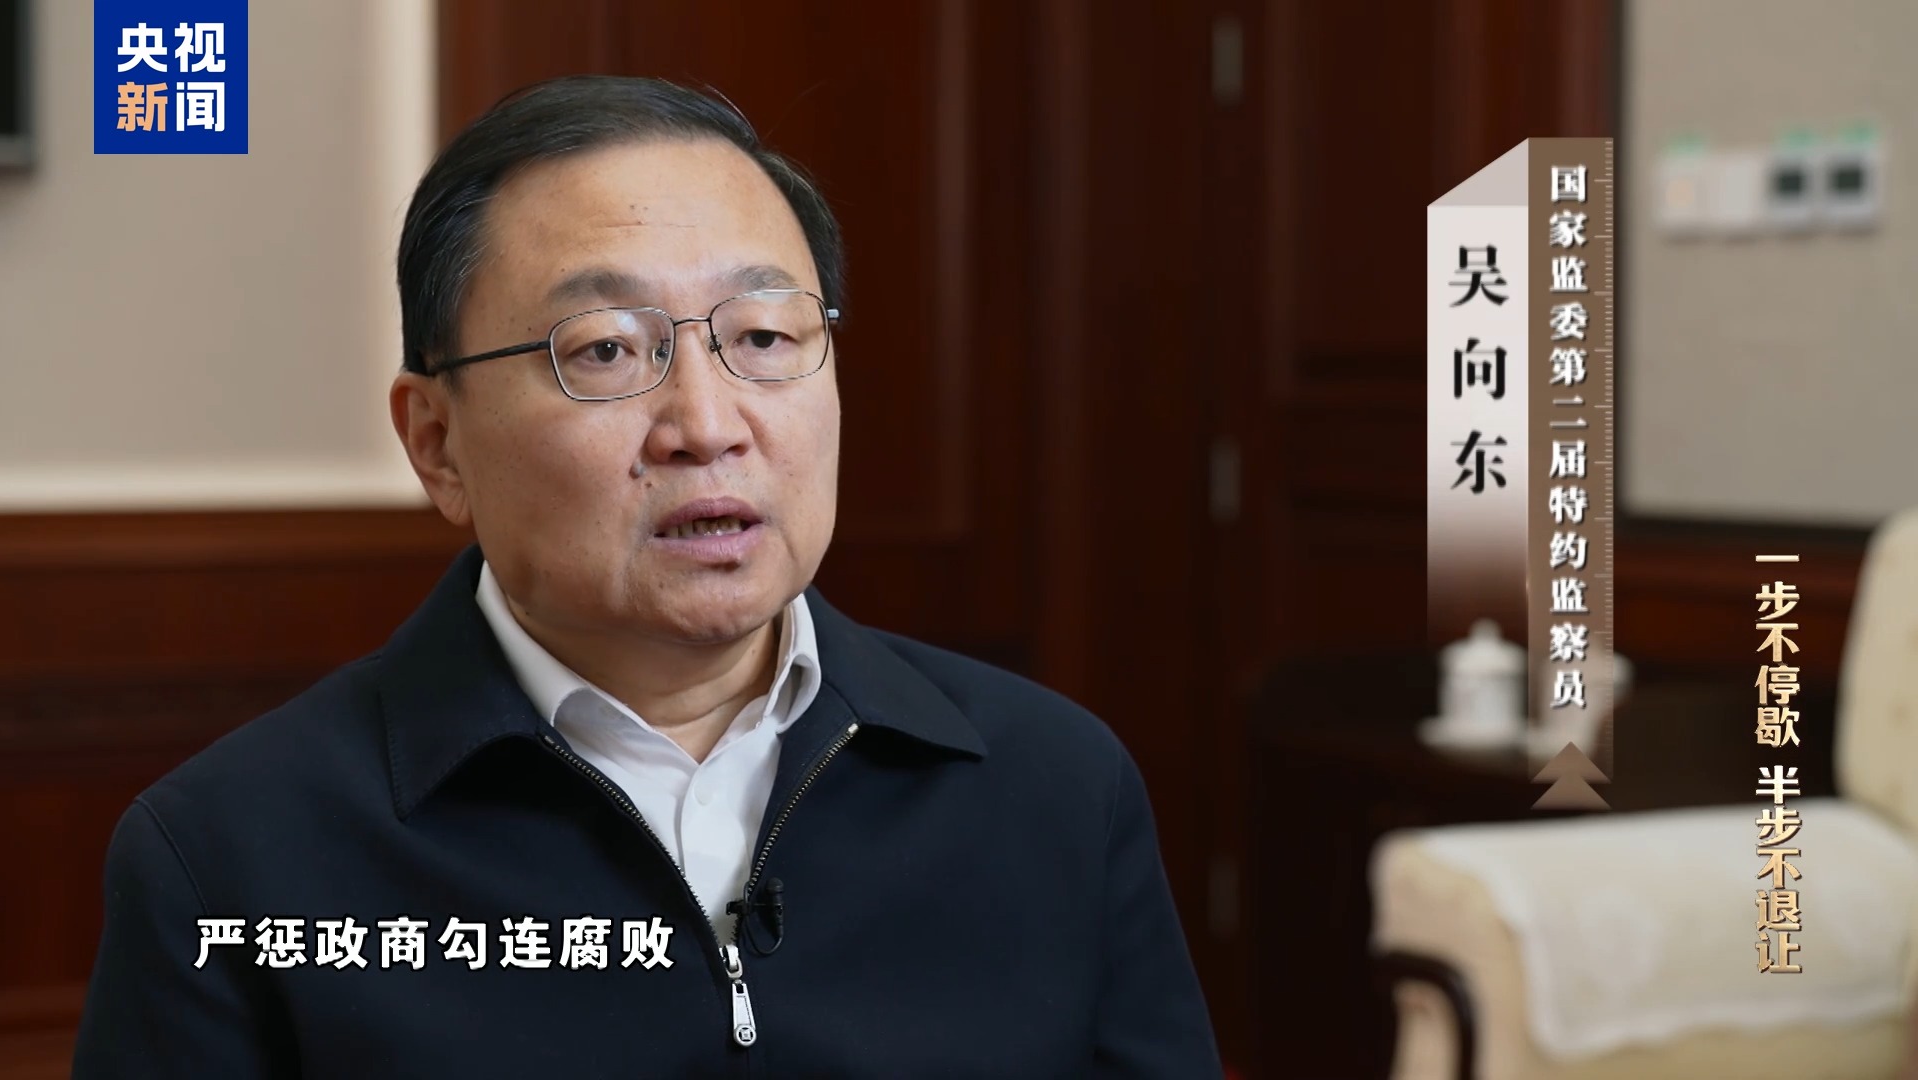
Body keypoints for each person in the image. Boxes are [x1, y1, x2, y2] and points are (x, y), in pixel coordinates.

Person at [71, 75, 1221, 1078]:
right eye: (607, 349)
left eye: (763, 337)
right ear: (437, 442)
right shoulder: (228, 854)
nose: (707, 425)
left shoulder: (1055, 787)